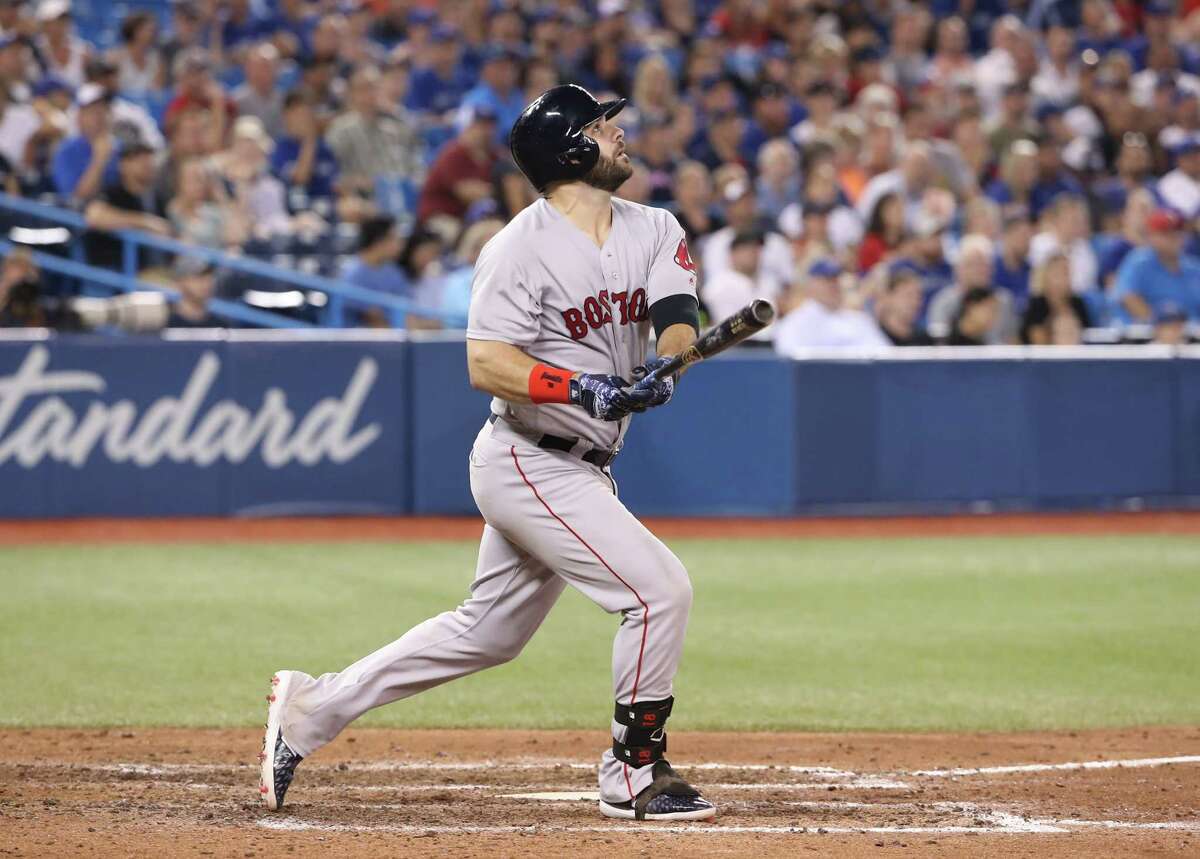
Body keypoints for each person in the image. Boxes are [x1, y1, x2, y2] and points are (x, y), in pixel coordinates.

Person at [261, 83, 717, 825]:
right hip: (526, 456)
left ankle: (312, 706)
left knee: (487, 633)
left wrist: (667, 365)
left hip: (581, 463)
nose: (620, 135)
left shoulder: (655, 227)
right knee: (657, 591)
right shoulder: (517, 248)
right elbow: (487, 363)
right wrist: (584, 385)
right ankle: (633, 770)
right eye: (603, 127)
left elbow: (676, 320)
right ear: (570, 149)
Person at [82, 141, 170, 270]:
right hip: (116, 269)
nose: (147, 164)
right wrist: (144, 222)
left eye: (149, 159)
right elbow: (94, 216)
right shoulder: (113, 193)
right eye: (139, 160)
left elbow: (166, 231)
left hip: (154, 270)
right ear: (123, 165)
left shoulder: (157, 198)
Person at [773, 259, 891, 353]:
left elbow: (884, 354)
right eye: (826, 280)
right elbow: (790, 362)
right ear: (810, 285)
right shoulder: (794, 323)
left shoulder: (858, 319)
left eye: (835, 279)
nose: (833, 285)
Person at [416, 104, 499, 229]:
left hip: (469, 217)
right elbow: (467, 193)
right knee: (453, 232)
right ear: (466, 127)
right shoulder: (453, 154)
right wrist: (500, 191)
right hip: (439, 216)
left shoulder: (494, 155)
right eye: (480, 126)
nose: (486, 131)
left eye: (490, 126)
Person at [1112, 208, 1200, 322]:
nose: (1175, 238)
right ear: (1151, 236)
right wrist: (1161, 326)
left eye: (1178, 232)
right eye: (1166, 233)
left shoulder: (1194, 267)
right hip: (1149, 336)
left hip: (1192, 334)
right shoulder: (1139, 261)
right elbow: (1128, 297)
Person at [51, 82, 117, 200]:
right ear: (79, 117)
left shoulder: (122, 147)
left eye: (104, 109)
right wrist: (99, 159)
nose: (101, 115)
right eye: (93, 111)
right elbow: (76, 200)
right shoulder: (66, 151)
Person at [1021, 251, 1092, 344]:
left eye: (1067, 272)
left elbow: (1087, 335)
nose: (1065, 278)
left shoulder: (1078, 303)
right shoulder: (1037, 305)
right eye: (1060, 273)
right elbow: (1037, 343)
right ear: (1047, 275)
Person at [875, 264, 934, 346]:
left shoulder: (925, 339)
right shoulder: (874, 336)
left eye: (918, 296)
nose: (915, 302)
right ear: (888, 297)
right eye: (908, 295)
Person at [166, 255, 222, 328]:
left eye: (210, 275)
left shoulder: (221, 327)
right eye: (199, 276)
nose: (207, 282)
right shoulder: (165, 325)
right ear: (180, 281)